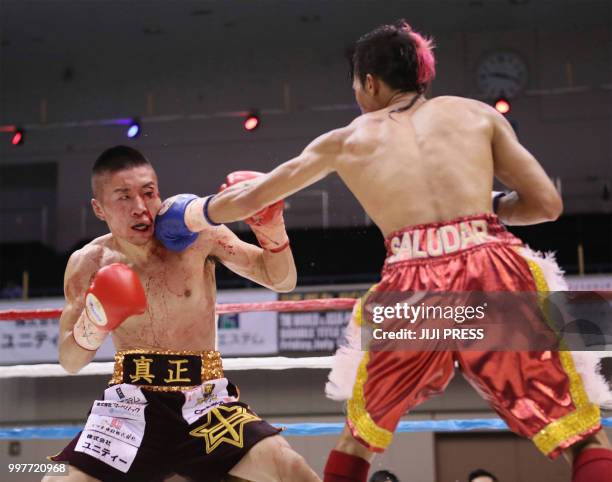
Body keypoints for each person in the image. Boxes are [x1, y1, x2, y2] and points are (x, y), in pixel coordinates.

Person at [204, 20, 612, 482]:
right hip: (492, 272)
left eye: (357, 84)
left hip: (414, 290)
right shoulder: (476, 114)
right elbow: (546, 205)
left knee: (359, 438)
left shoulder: (347, 140)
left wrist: (193, 214)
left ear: (370, 83)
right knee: (582, 434)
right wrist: (488, 206)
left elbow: (251, 198)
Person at [43, 146, 320, 482]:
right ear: (99, 208)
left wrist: (272, 229)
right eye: (124, 197)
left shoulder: (199, 237)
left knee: (290, 468)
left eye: (148, 193)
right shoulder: (89, 263)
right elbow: (70, 360)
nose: (141, 208)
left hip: (205, 400)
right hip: (129, 406)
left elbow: (282, 280)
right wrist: (95, 322)